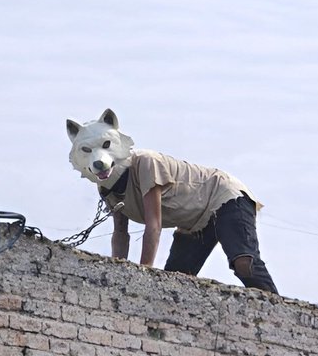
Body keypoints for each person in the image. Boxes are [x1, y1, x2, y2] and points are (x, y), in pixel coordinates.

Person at [67, 109, 278, 294]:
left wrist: (143, 273)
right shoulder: (106, 185)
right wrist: (119, 273)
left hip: (223, 196)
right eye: (87, 150)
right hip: (193, 222)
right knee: (175, 281)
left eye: (105, 145)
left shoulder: (147, 164)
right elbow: (120, 232)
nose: (98, 157)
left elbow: (154, 225)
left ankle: (278, 313)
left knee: (244, 263)